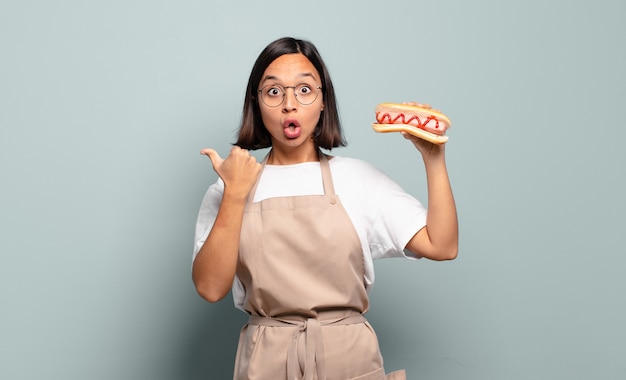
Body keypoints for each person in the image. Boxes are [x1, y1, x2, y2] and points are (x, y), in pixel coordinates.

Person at [192, 36, 458, 380]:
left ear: (322, 102)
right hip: (266, 359)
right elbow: (209, 288)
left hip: (347, 356)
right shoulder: (230, 185)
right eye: (274, 91)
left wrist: (433, 159)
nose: (290, 104)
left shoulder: (357, 179)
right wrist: (234, 195)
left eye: (304, 90)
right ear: (256, 104)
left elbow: (443, 245)